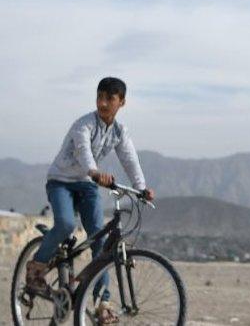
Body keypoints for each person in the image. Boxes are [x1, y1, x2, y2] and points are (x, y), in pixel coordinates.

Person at [25, 77, 155, 323]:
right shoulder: (83, 125)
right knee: (65, 225)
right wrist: (95, 173)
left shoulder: (119, 131)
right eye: (100, 97)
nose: (103, 103)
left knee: (101, 239)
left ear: (122, 102)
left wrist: (141, 188)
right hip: (61, 181)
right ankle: (35, 271)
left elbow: (129, 159)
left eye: (110, 98)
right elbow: (84, 152)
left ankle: (101, 301)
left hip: (87, 185)